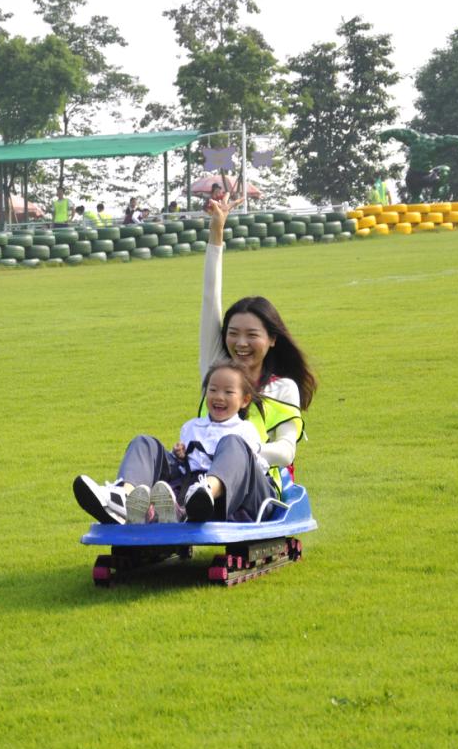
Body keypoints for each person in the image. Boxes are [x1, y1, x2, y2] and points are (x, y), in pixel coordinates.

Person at [72, 175, 317, 526]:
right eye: (233, 333)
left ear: (273, 339)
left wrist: (232, 453)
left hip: (255, 490)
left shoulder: (282, 388)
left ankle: (209, 492)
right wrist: (216, 233)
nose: (241, 343)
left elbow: (286, 450)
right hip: (192, 481)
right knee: (145, 443)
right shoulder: (217, 372)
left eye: (252, 335)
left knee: (235, 444)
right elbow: (209, 301)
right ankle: (122, 498)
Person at [122, 359, 265, 523]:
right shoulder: (191, 427)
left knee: (232, 442)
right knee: (144, 442)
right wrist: (179, 456)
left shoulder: (245, 430)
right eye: (213, 390)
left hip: (228, 496)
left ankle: (204, 494)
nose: (219, 396)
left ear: (245, 400)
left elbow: (251, 468)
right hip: (188, 486)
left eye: (228, 392)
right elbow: (182, 467)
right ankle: (126, 498)